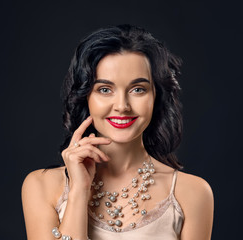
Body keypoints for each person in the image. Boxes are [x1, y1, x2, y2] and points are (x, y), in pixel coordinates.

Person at [22, 24, 214, 240]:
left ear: (156, 97)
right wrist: (78, 191)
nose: (122, 105)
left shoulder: (192, 193)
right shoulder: (41, 186)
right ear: (86, 97)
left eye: (138, 89)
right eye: (105, 90)